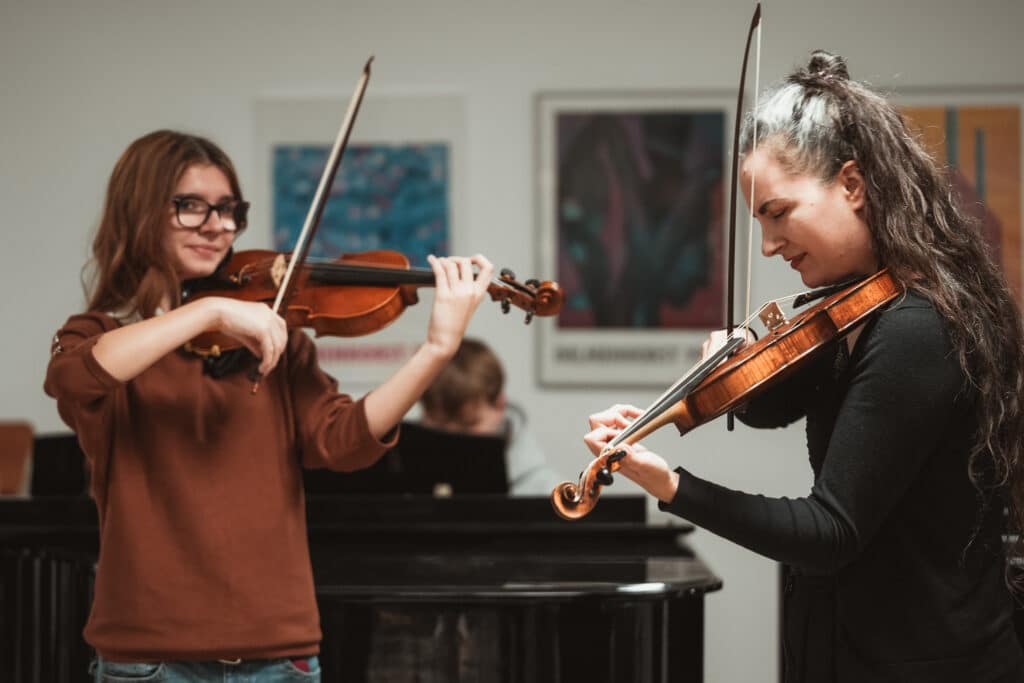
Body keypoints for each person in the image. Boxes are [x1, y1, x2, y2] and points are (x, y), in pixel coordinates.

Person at [583, 51, 1024, 683]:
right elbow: (776, 406)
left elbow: (830, 531)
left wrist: (669, 484)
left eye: (777, 212)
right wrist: (732, 381)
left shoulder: (915, 328)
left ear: (852, 185)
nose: (767, 245)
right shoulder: (856, 313)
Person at [44, 129, 495, 682]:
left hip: (281, 658)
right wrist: (207, 313)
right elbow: (72, 378)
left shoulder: (275, 342)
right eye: (192, 206)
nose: (219, 226)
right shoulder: (97, 336)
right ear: (140, 212)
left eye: (229, 210)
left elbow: (344, 443)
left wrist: (436, 349)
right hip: (150, 659)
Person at [419, 337, 559, 496]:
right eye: (440, 425)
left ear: (499, 405)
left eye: (469, 424)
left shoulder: (548, 493)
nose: (453, 439)